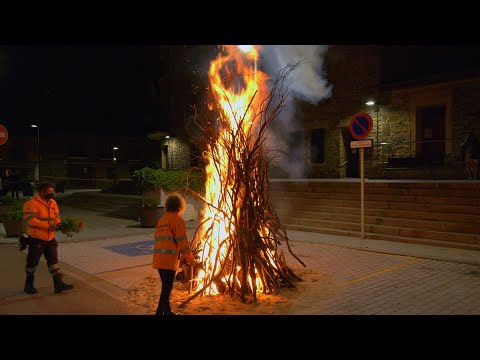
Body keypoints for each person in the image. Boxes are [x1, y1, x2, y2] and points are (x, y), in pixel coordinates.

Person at [22, 182, 74, 294]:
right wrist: (48, 226)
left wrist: (58, 224)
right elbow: (29, 220)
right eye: (49, 192)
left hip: (50, 238)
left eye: (52, 192)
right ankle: (29, 285)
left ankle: (58, 284)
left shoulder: (53, 202)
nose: (52, 194)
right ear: (42, 192)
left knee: (53, 260)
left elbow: (57, 216)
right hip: (36, 238)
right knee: (32, 262)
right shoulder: (31, 203)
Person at [153, 193, 195, 315]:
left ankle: (168, 312)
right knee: (167, 289)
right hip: (168, 260)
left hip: (159, 260)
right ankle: (159, 312)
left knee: (166, 287)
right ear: (180, 205)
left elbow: (157, 237)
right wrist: (190, 258)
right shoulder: (177, 220)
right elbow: (183, 242)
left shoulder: (162, 220)